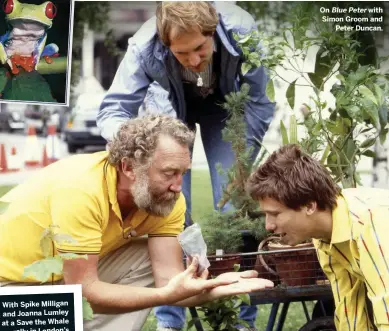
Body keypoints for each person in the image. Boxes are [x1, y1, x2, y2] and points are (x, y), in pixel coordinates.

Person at [0, 115, 273, 331]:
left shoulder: (166, 200)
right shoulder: (81, 190)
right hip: (11, 293)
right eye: (169, 173)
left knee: (146, 256)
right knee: (71, 306)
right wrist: (165, 296)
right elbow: (84, 292)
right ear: (129, 167)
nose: (179, 186)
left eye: (183, 173)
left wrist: (212, 289)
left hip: (62, 281)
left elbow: (169, 280)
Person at [98, 2, 275, 329]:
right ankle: (171, 319)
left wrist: (242, 152)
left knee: (233, 209)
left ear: (213, 31)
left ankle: (241, 319)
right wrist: (136, 152)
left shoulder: (243, 31)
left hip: (224, 108)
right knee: (169, 207)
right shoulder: (142, 47)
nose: (194, 61)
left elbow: (261, 102)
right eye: (181, 54)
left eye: (200, 48)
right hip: (167, 109)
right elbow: (113, 111)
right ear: (165, 44)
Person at [246, 144, 389, 330]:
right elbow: (350, 308)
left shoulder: (373, 222)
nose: (268, 225)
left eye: (275, 213)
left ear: (309, 206)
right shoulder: (326, 235)